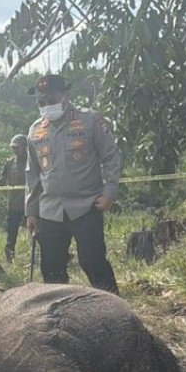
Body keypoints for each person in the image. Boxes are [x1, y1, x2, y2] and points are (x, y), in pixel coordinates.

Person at [24, 74, 121, 294]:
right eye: (42, 103)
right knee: (51, 269)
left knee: (93, 262)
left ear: (66, 96)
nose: (46, 107)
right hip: (50, 210)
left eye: (51, 101)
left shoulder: (91, 120)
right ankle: (59, 315)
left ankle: (113, 311)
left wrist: (110, 192)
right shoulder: (35, 130)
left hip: (86, 206)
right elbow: (33, 174)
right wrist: (31, 211)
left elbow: (112, 157)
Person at [0, 134, 28, 262]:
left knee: (38, 234)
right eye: (12, 148)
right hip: (14, 205)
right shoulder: (9, 162)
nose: (14, 150)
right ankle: (9, 260)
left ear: (25, 147)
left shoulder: (33, 161)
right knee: (11, 235)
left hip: (30, 205)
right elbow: (2, 181)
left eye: (17, 148)